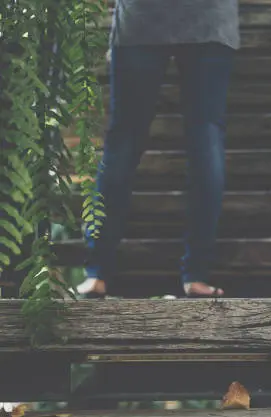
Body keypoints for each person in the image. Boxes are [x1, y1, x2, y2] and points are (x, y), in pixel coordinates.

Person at [77, 0, 240, 298]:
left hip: (142, 17)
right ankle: (197, 275)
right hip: (211, 17)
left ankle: (97, 271)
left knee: (124, 140)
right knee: (206, 138)